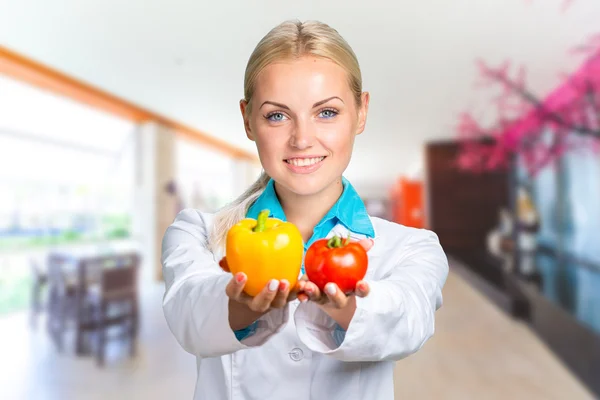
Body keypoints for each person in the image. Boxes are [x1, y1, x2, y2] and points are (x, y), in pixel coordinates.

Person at [161, 20, 449, 400]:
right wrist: (239, 307)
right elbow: (188, 316)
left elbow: (409, 322)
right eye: (276, 115)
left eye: (326, 112)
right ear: (248, 119)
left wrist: (347, 308)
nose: (301, 139)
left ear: (361, 113)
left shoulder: (414, 246)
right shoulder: (196, 232)